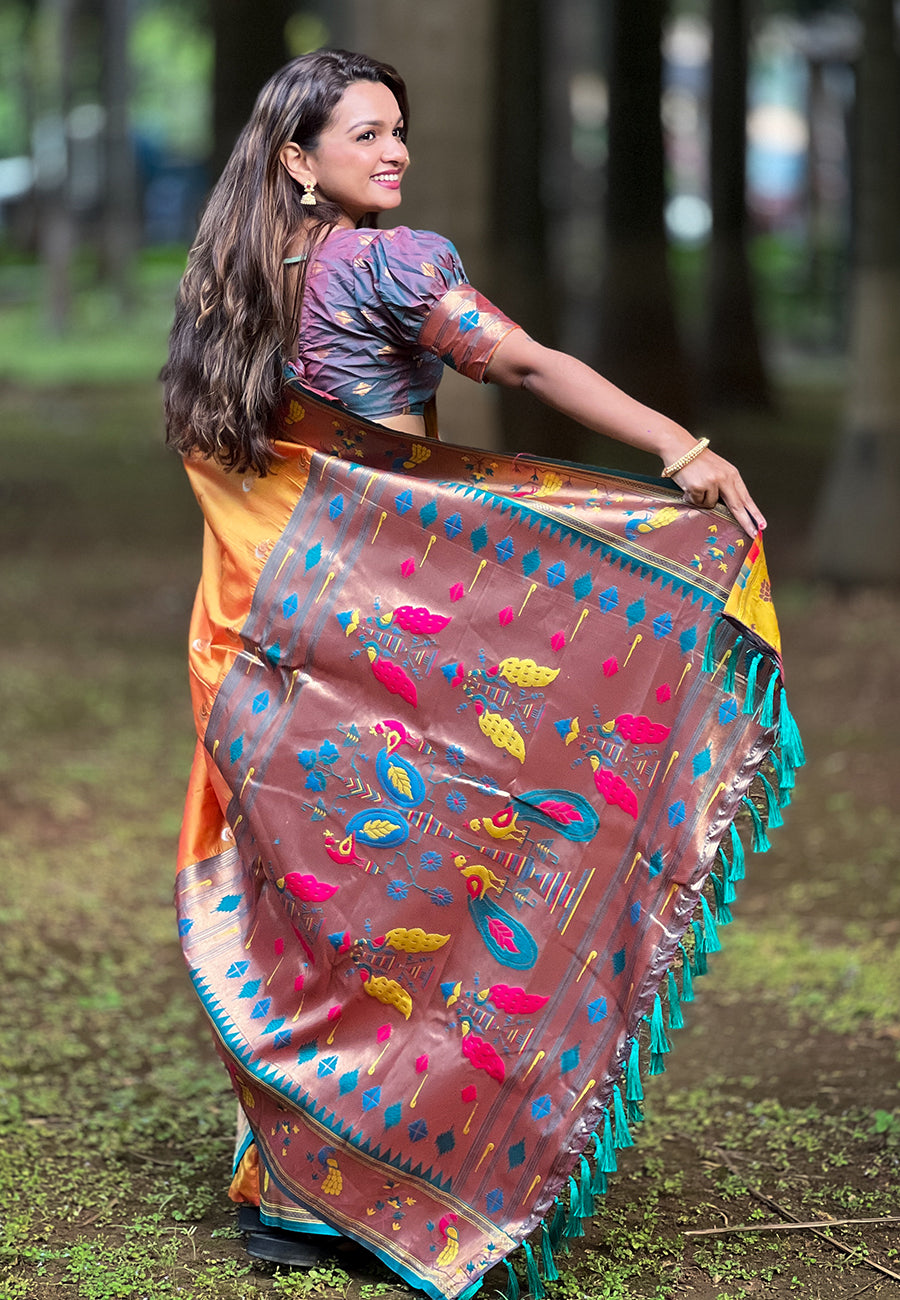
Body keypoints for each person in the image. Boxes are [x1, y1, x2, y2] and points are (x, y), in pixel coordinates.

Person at [163, 49, 796, 1300]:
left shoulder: (228, 282)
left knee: (309, 894)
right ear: (299, 158)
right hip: (378, 628)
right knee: (402, 883)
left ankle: (291, 1190)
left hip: (251, 633)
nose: (395, 149)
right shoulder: (391, 265)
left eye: (399, 128)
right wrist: (680, 447)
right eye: (366, 132)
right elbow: (521, 363)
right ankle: (373, 1181)